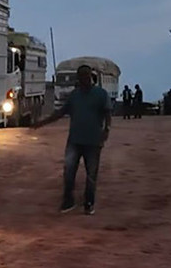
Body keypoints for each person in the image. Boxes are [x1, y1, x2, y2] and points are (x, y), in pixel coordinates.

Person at [32, 64, 112, 215]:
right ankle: (68, 200)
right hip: (75, 140)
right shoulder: (74, 95)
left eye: (86, 76)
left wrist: (106, 130)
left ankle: (89, 203)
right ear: (78, 78)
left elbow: (108, 113)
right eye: (81, 77)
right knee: (69, 171)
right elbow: (60, 113)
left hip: (93, 141)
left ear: (91, 77)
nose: (84, 80)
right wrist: (42, 123)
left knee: (91, 174)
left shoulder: (101, 94)